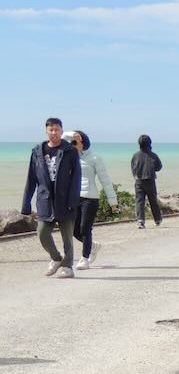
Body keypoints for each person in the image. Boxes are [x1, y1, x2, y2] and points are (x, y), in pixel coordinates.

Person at [20, 117, 81, 279]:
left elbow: (76, 177)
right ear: (46, 131)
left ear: (62, 131)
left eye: (57, 129)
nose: (54, 132)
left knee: (67, 237)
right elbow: (31, 178)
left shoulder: (70, 151)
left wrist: (73, 200)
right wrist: (26, 203)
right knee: (42, 232)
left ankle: (67, 267)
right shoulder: (37, 152)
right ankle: (56, 258)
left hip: (65, 199)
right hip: (45, 200)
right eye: (51, 129)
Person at [67, 130, 117, 269]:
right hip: (74, 197)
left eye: (75, 141)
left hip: (90, 197)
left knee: (85, 228)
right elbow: (61, 137)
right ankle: (92, 246)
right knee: (73, 230)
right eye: (71, 141)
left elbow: (105, 180)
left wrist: (113, 202)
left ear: (83, 141)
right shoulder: (70, 157)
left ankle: (84, 259)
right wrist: (72, 134)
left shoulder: (95, 158)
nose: (72, 144)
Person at [130, 135, 163, 229]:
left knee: (139, 201)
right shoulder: (153, 155)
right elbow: (159, 167)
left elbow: (133, 168)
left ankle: (140, 221)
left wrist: (136, 176)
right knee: (153, 201)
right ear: (149, 144)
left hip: (139, 181)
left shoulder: (135, 155)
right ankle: (157, 220)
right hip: (150, 180)